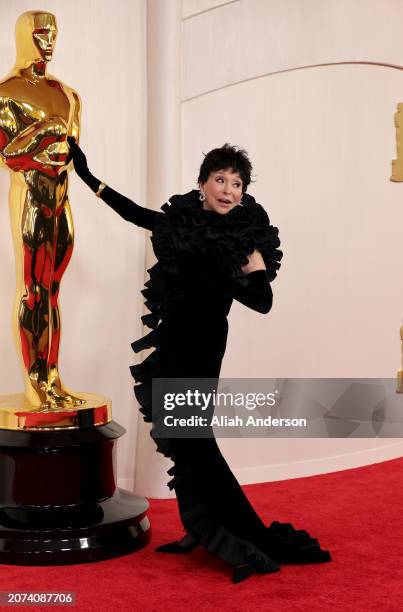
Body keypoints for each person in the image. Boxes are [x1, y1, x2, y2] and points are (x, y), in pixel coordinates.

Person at [68, 138, 331, 583]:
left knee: (195, 441)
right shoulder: (181, 224)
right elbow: (136, 214)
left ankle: (246, 535)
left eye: (237, 183)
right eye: (221, 180)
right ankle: (202, 530)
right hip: (172, 341)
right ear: (203, 184)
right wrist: (88, 177)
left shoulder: (246, 240)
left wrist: (240, 269)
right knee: (180, 436)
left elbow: (263, 301)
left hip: (204, 345)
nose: (229, 189)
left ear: (243, 193)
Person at [0, 11, 85, 408]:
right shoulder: (7, 92)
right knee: (33, 292)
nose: (48, 41)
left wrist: (51, 142)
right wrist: (46, 130)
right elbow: (9, 154)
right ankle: (35, 382)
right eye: (40, 34)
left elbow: (69, 153)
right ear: (24, 37)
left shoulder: (68, 94)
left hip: (61, 200)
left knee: (52, 293)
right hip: (31, 199)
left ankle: (52, 376)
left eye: (53, 33)